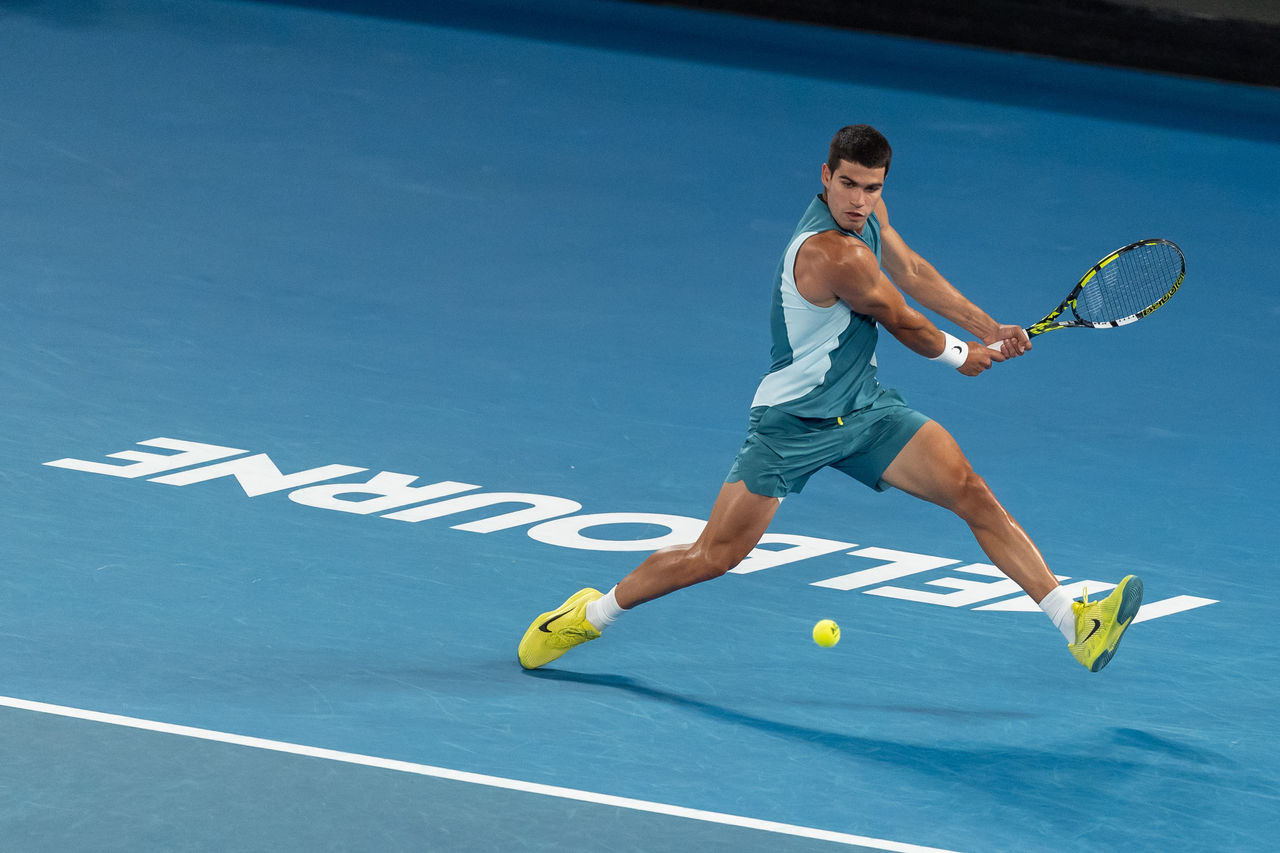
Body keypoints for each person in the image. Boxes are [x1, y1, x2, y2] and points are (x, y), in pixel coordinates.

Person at [518, 124, 1142, 674]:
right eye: (848, 185)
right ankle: (590, 613)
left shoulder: (870, 218)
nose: (860, 201)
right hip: (791, 425)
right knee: (716, 555)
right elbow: (901, 317)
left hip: (865, 411)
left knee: (969, 490)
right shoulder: (829, 252)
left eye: (872, 188)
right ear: (826, 176)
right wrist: (961, 356)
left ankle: (1074, 623)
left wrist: (986, 325)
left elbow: (913, 273)